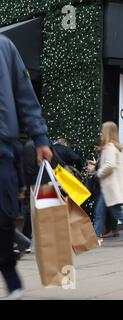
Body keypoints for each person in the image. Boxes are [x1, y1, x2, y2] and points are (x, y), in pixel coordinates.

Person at [0, 34, 52, 299]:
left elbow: (24, 94)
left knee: (6, 218)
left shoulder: (4, 46)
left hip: (3, 152)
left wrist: (40, 137)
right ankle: (11, 279)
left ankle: (8, 266)